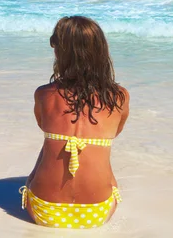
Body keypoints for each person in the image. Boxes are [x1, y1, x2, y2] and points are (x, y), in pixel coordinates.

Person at [19, 16, 130, 229]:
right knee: (97, 148)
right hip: (97, 212)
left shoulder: (43, 94)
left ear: (61, 53)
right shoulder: (120, 97)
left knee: (51, 144)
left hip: (45, 210)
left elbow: (44, 125)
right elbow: (115, 132)